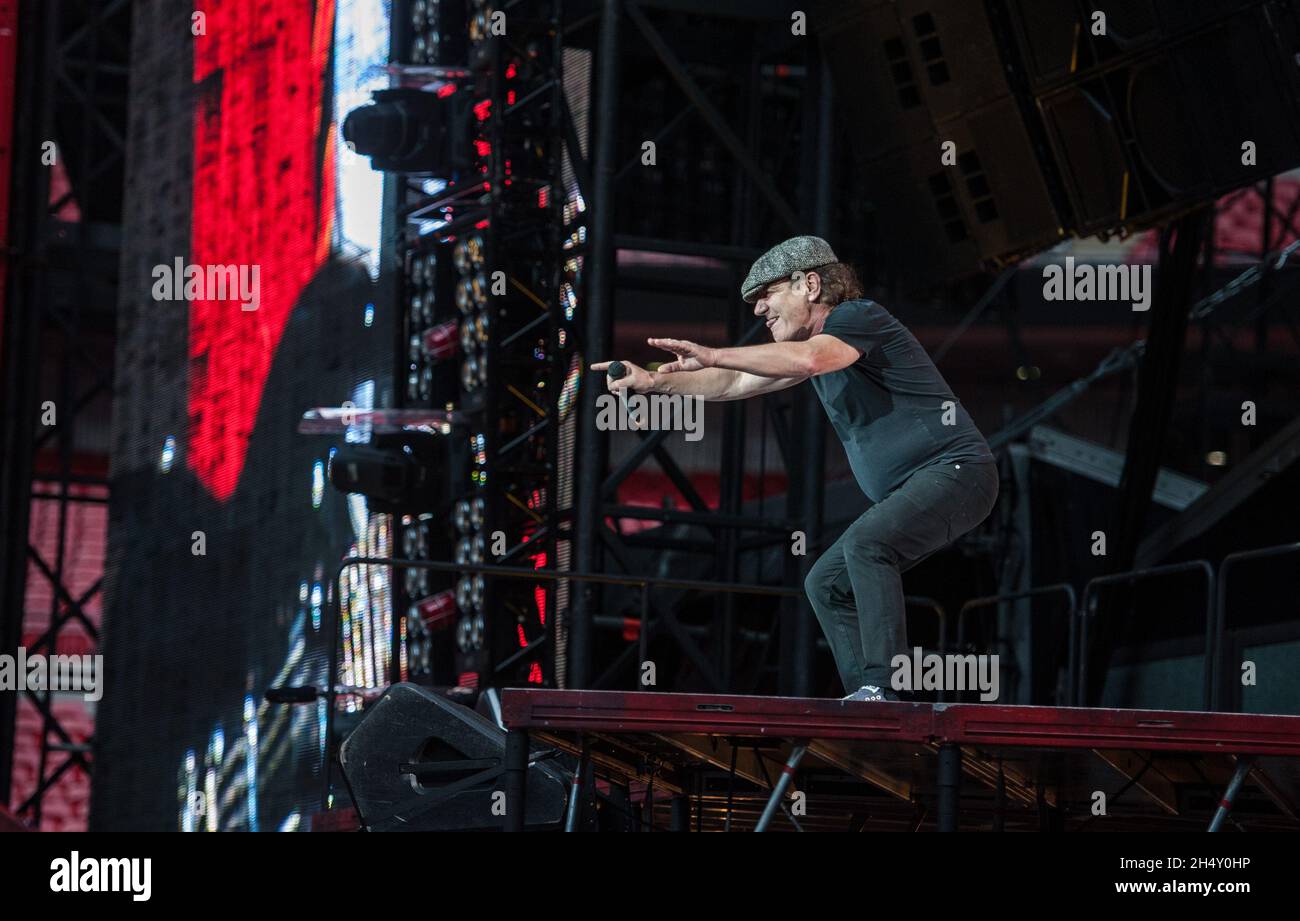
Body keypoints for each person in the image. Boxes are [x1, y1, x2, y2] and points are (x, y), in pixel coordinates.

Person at [593, 235, 998, 701]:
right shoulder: (812, 351)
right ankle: (867, 700)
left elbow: (805, 358)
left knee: (867, 545)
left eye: (767, 295)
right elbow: (736, 381)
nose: (759, 310)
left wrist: (713, 351)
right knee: (825, 582)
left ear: (809, 285)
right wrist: (652, 383)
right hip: (923, 485)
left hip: (957, 472)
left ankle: (884, 689)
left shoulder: (858, 318)